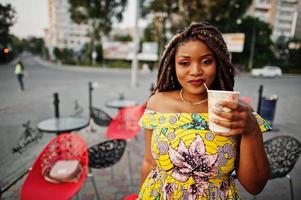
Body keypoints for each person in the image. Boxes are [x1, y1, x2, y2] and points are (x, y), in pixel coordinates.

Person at [138, 22, 271, 199]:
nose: (195, 71)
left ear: (219, 63)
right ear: (173, 65)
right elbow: (149, 162)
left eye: (206, 61)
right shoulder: (157, 103)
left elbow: (255, 186)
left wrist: (252, 130)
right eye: (184, 63)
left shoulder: (237, 112)